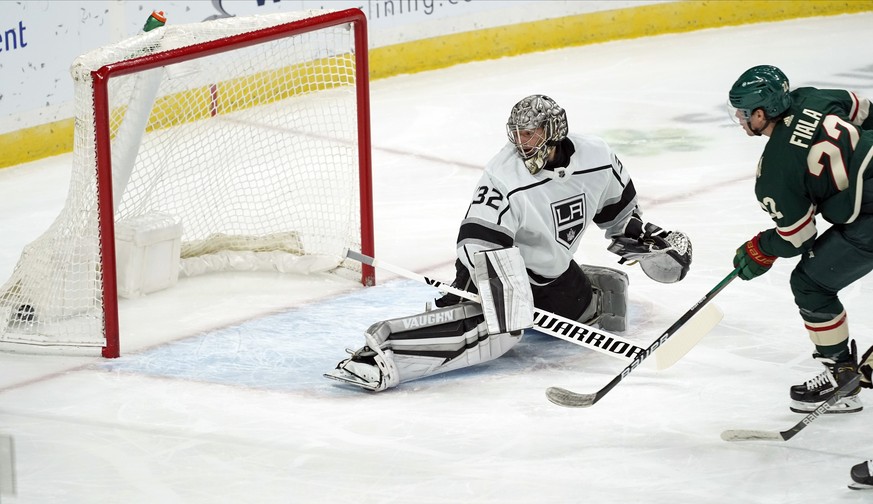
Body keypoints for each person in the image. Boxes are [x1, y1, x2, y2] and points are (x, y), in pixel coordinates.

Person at [324, 94, 692, 392]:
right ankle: (381, 356)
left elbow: (619, 217)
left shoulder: (597, 158)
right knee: (498, 333)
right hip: (496, 260)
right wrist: (505, 294)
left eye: (529, 134)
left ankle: (581, 282)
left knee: (594, 307)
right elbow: (475, 241)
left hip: (550, 267)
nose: (520, 143)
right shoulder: (504, 175)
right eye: (516, 134)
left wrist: (645, 240)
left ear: (554, 132)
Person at [727, 65, 873, 415]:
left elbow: (798, 238)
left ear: (760, 115)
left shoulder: (775, 171)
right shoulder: (813, 97)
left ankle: (841, 376)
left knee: (810, 284)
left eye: (743, 113)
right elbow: (867, 112)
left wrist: (761, 248)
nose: (740, 118)